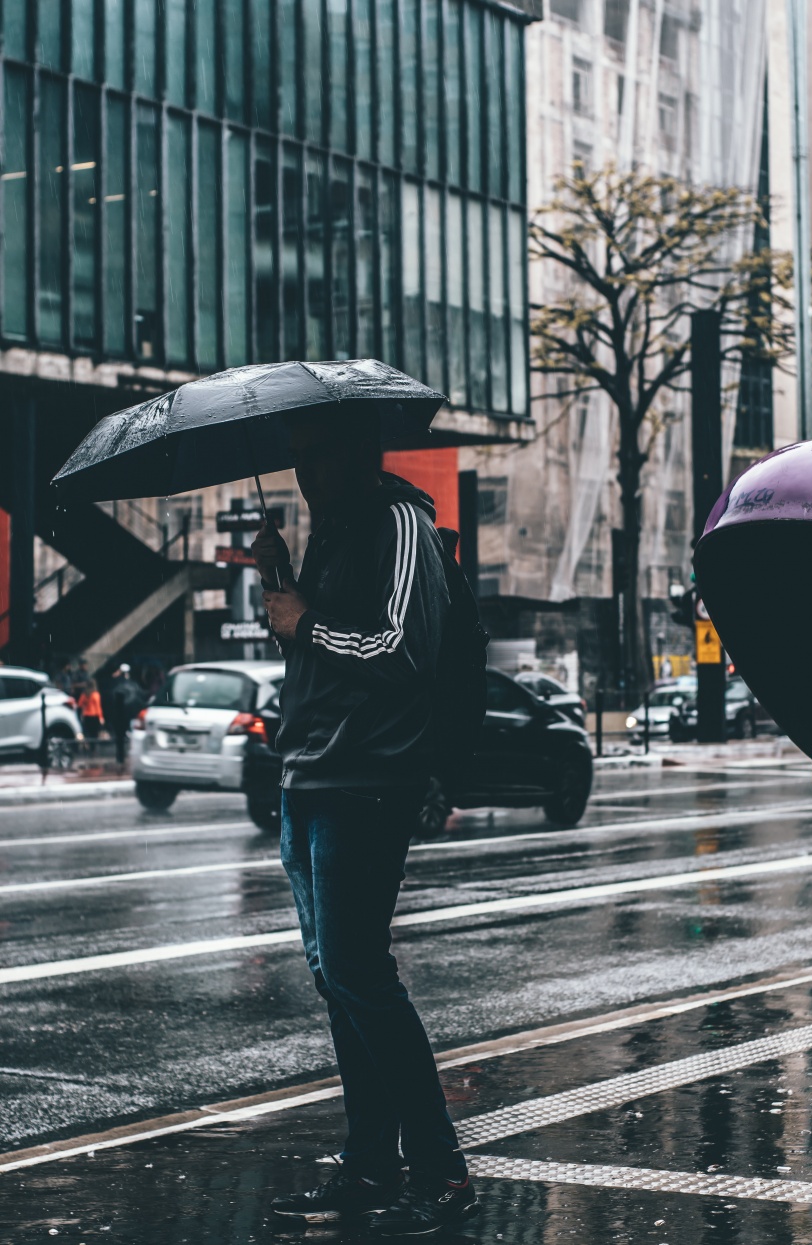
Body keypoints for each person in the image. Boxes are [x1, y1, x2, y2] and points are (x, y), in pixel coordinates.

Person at [252, 411, 477, 1237]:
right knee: (334, 974)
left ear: (359, 452)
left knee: (358, 970)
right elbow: (314, 656)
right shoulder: (330, 531)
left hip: (369, 779)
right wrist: (280, 586)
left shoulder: (400, 521)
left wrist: (305, 618)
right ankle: (372, 1163)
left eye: (318, 457)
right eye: (297, 460)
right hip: (308, 774)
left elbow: (401, 647)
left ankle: (440, 1167)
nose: (306, 474)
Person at [109, 664, 147, 769]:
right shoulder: (133, 684)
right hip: (130, 715)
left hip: (120, 715)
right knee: (131, 737)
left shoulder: (116, 684)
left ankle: (120, 758)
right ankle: (130, 757)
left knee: (120, 739)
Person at [77, 677, 104, 754]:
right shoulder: (96, 694)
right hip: (95, 716)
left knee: (88, 733)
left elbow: (79, 705)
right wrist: (101, 717)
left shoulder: (84, 694)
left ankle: (88, 747)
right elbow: (98, 707)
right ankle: (93, 749)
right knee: (94, 733)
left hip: (86, 716)